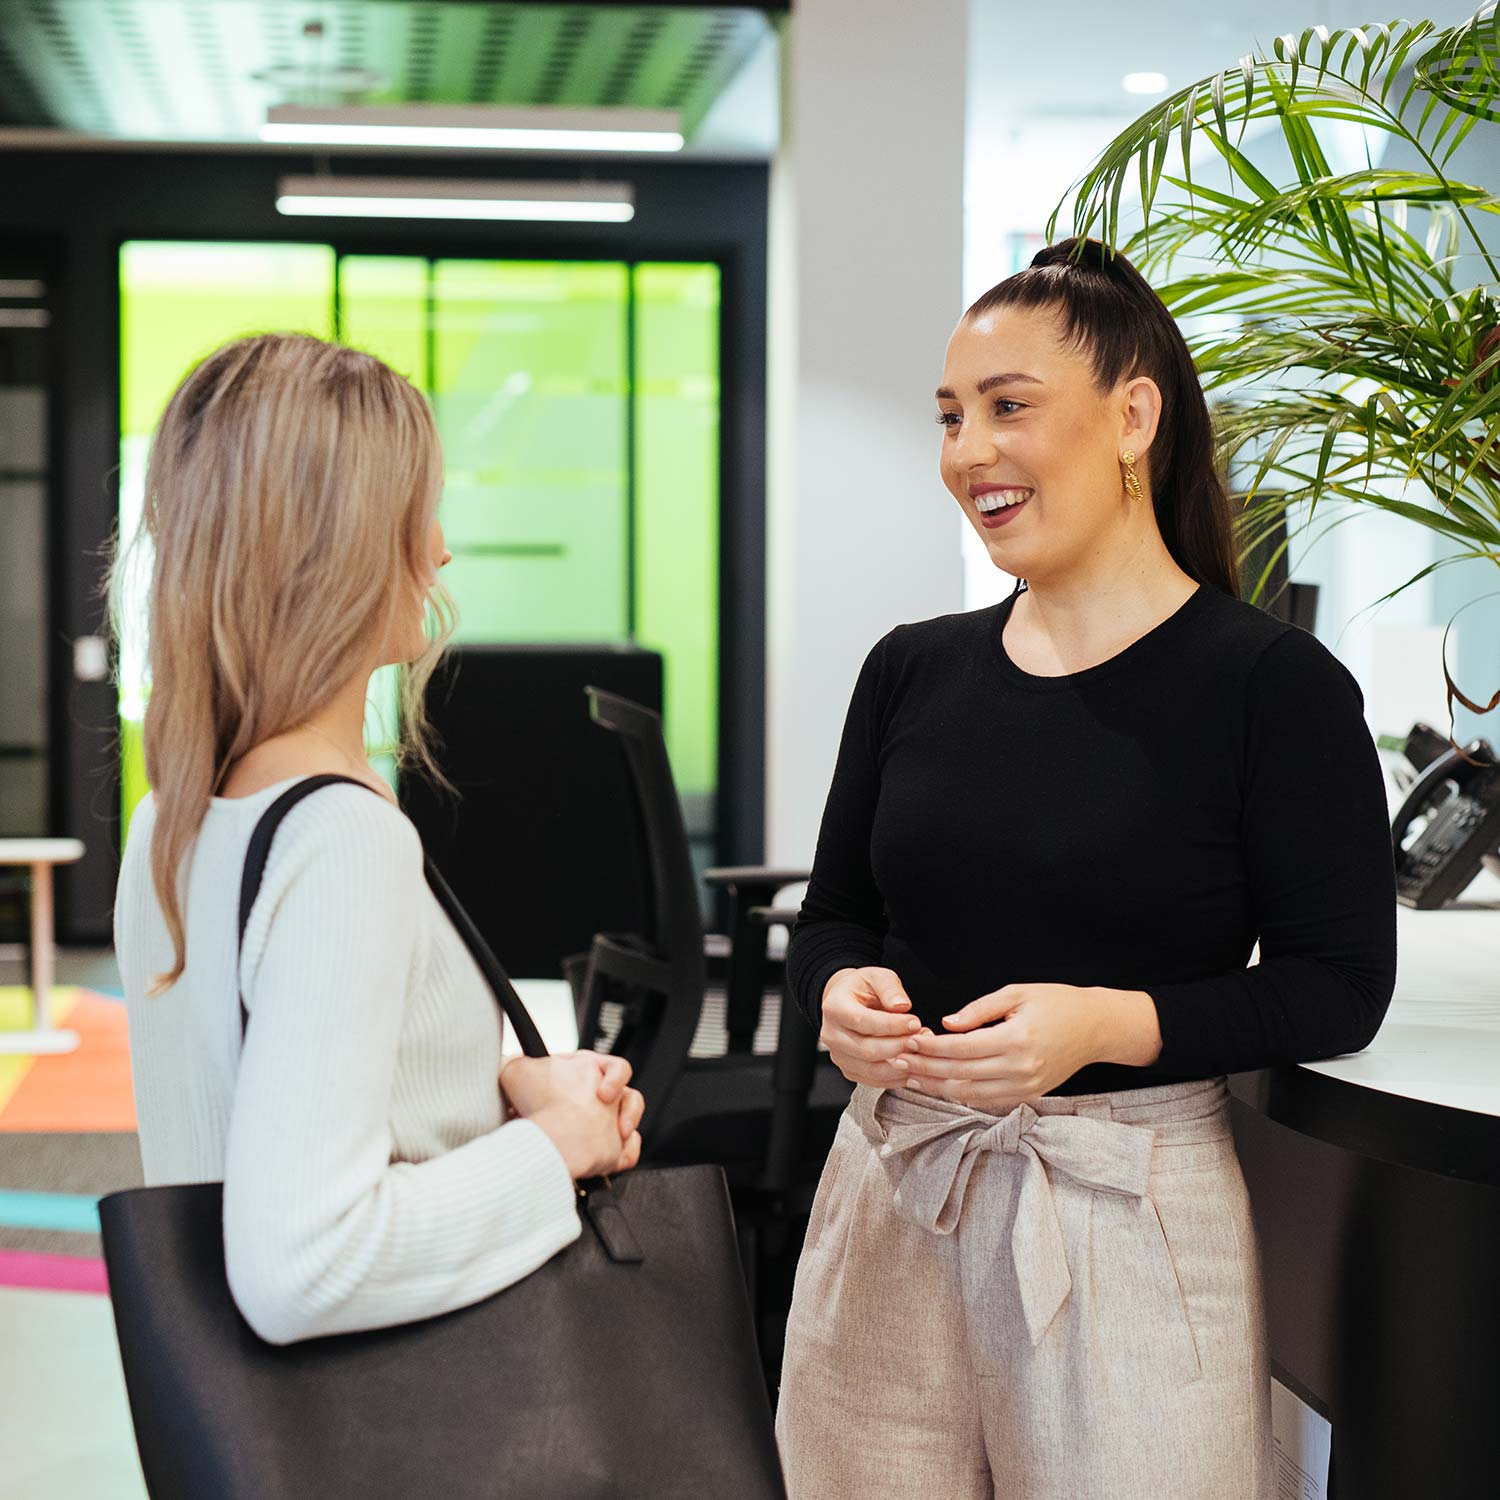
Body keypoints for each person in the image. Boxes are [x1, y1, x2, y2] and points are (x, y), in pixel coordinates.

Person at [773, 237, 1398, 1498]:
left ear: (1132, 418)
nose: (968, 453)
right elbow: (835, 917)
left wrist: (1106, 1024)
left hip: (1128, 1217)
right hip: (894, 1192)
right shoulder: (912, 669)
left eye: (1009, 408)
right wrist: (840, 993)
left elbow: (1339, 986)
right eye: (951, 417)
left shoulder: (1271, 687)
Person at [108, 332, 645, 1346]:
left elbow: (260, 1100)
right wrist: (553, 1144)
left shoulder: (172, 818)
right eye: (418, 515)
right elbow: (306, 1264)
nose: (439, 550)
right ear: (342, 546)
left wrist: (490, 1092)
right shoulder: (342, 842)